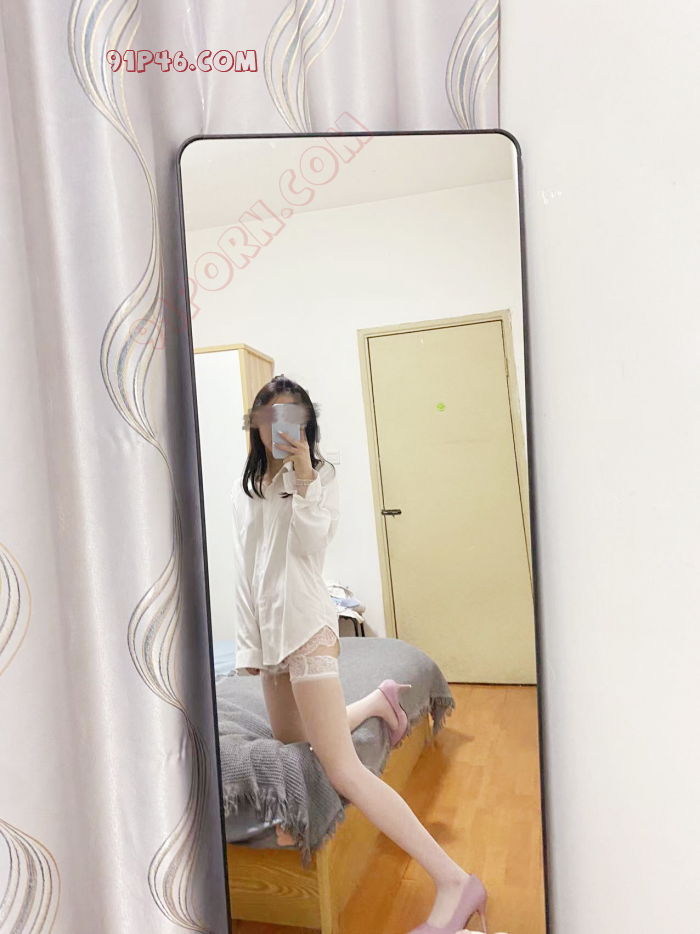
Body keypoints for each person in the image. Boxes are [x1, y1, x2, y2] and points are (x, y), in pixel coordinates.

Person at [230, 375, 488, 934]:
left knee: (342, 768)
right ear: (256, 424)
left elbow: (310, 547)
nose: (278, 428)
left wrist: (303, 472)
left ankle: (454, 881)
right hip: (272, 636)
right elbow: (246, 572)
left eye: (291, 417)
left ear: (306, 425)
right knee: (292, 736)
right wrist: (252, 646)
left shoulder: (319, 476)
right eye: (269, 417)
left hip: (306, 628)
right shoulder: (248, 488)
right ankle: (375, 702)